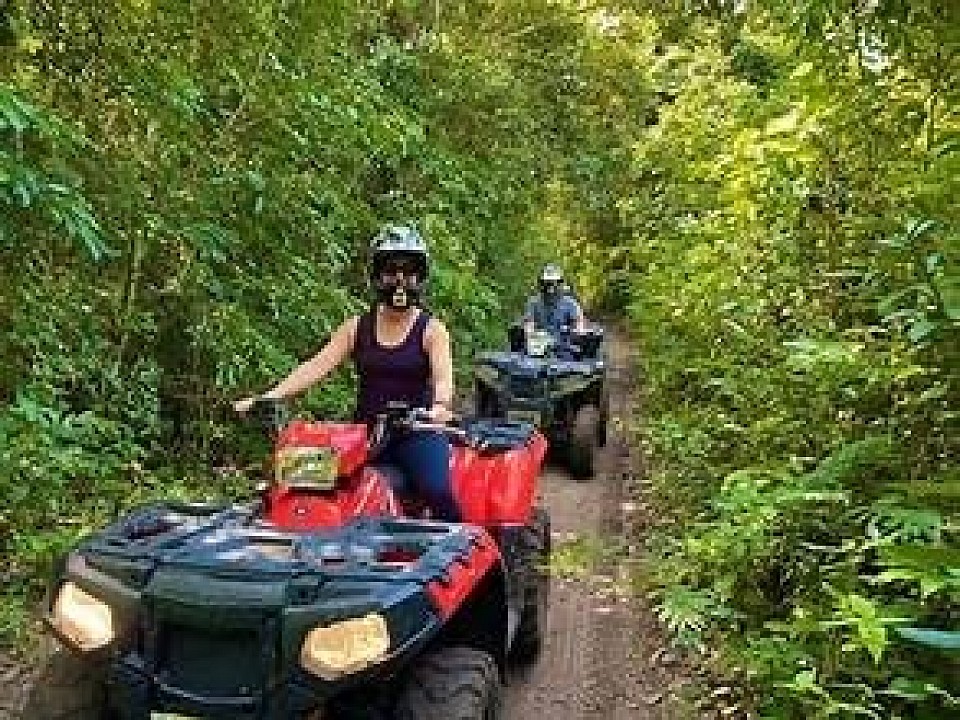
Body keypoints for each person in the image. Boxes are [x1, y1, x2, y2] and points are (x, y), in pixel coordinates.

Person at [234, 225, 459, 520]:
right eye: (391, 271)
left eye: (409, 272)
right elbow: (316, 365)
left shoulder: (432, 330)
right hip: (365, 434)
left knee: (436, 489)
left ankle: (463, 543)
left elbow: (443, 379)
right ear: (377, 276)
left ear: (420, 277)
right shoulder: (356, 328)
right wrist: (268, 397)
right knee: (307, 488)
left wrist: (439, 407)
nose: (400, 281)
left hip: (416, 432)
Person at [522, 263, 586, 341]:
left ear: (560, 284)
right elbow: (529, 322)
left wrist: (577, 330)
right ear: (541, 284)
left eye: (554, 284)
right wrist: (530, 332)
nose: (550, 290)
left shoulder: (571, 304)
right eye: (547, 284)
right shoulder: (534, 303)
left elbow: (579, 322)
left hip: (565, 344)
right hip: (540, 344)